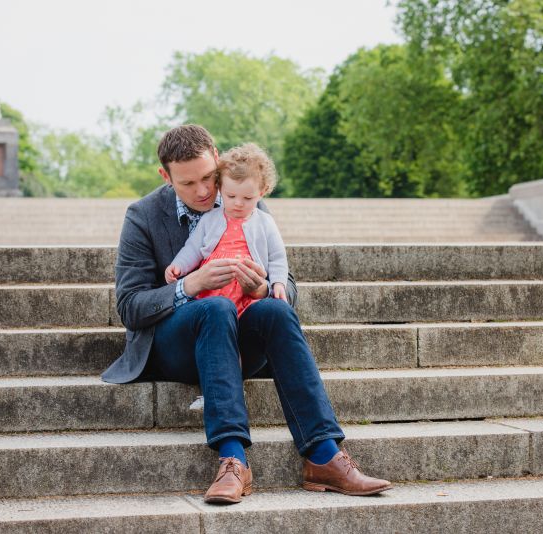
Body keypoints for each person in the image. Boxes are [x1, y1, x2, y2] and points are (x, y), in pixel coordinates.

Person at [101, 124, 391, 504]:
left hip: (239, 336)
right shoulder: (142, 216)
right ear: (165, 176)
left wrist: (263, 288)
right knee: (215, 307)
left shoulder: (244, 196)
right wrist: (189, 284)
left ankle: (324, 455)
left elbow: (285, 279)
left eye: (208, 177)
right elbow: (130, 307)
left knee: (274, 310)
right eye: (188, 183)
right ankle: (233, 459)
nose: (204, 191)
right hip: (178, 344)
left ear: (218, 159)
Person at [165, 143, 289, 316]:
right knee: (217, 311)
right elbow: (193, 248)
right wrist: (178, 265)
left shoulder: (265, 221)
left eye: (247, 198)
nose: (238, 203)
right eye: (230, 196)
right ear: (220, 187)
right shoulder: (210, 218)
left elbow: (277, 257)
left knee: (270, 313)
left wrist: (278, 283)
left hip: (248, 290)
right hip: (214, 287)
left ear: (262, 192)